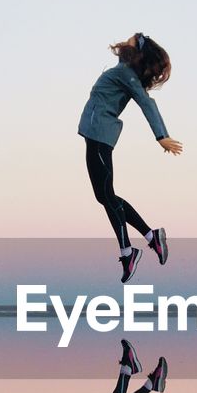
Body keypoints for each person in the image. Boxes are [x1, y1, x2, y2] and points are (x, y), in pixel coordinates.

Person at [78, 32, 184, 283]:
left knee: (106, 196)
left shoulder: (127, 75)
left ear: (139, 51)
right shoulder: (123, 70)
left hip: (100, 136)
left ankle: (128, 252)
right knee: (105, 196)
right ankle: (151, 237)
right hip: (96, 135)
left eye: (135, 39)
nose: (129, 37)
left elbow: (147, 103)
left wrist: (161, 136)